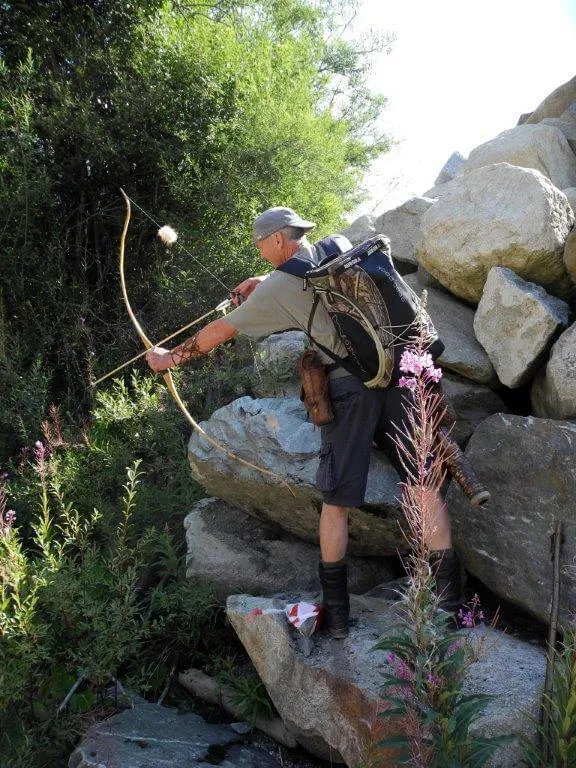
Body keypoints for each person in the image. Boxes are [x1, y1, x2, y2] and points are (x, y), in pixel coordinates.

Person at [145, 206, 461, 639]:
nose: (260, 253)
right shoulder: (338, 251)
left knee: (336, 501)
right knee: (423, 485)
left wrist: (171, 358)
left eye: (261, 246)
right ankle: (450, 606)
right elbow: (310, 286)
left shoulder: (278, 286)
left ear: (277, 239)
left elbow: (221, 330)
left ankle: (338, 617)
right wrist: (263, 282)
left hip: (349, 390)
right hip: (399, 377)